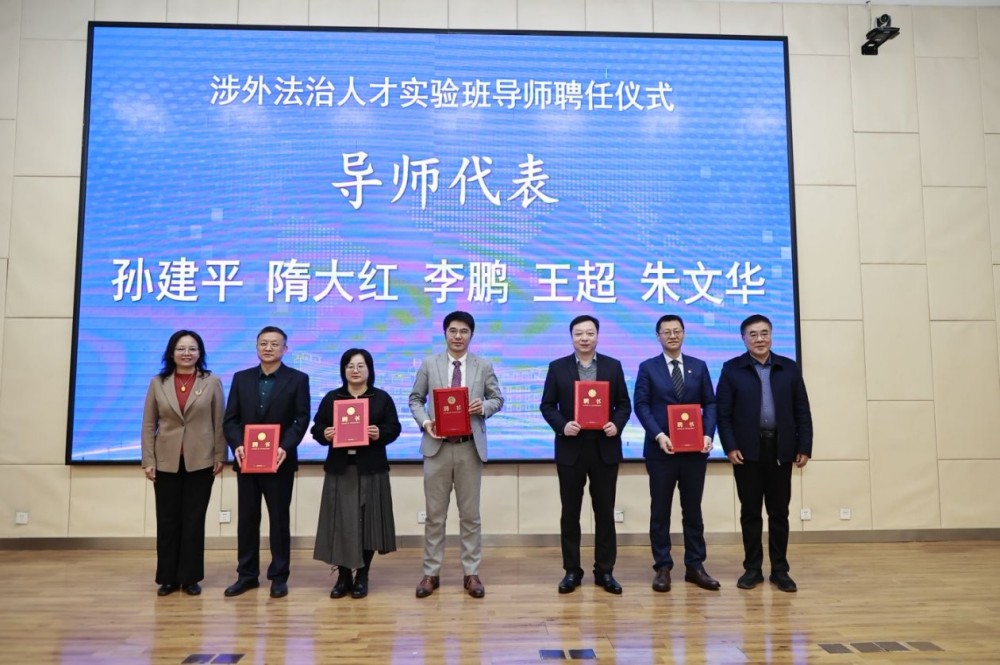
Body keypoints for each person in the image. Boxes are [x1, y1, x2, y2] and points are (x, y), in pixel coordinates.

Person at [408, 311, 504, 599]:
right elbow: (415, 399)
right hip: (436, 447)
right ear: (445, 333)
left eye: (464, 331)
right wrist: (426, 422)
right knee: (434, 516)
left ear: (471, 335)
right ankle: (431, 573)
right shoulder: (430, 364)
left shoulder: (483, 366)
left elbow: (497, 398)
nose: (458, 336)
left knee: (470, 516)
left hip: (468, 448)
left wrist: (483, 407)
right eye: (453, 331)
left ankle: (471, 573)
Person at [717, 314, 813, 593]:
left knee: (779, 513)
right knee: (750, 513)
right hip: (746, 451)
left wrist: (804, 446)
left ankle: (780, 570)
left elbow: (802, 410)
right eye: (753, 334)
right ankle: (753, 569)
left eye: (764, 333)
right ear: (743, 338)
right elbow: (723, 414)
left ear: (771, 335)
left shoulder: (789, 368)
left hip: (781, 450)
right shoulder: (732, 369)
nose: (760, 339)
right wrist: (730, 446)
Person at [540, 315, 632, 595]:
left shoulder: (613, 366)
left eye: (589, 333)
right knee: (570, 513)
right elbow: (547, 405)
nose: (584, 338)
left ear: (597, 336)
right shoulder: (558, 367)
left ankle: (605, 571)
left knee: (605, 512)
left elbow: (624, 405)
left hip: (604, 448)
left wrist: (616, 424)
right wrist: (562, 425)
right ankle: (572, 570)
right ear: (571, 337)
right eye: (579, 333)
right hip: (571, 449)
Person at [222, 326, 310, 599]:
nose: (268, 348)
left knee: (279, 520)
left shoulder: (298, 379)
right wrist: (237, 445)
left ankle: (279, 577)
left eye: (274, 343)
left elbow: (301, 419)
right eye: (263, 343)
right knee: (247, 519)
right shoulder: (241, 378)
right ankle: (246, 575)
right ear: (257, 347)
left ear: (285, 348)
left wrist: (285, 447)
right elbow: (230, 419)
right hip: (247, 461)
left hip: (279, 462)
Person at [634, 314, 720, 593]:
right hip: (661, 452)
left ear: (683, 333)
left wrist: (708, 434)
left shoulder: (699, 366)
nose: (672, 336)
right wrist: (659, 435)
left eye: (677, 331)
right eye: (666, 332)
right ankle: (662, 566)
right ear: (657, 336)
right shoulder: (648, 367)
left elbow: (710, 403)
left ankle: (695, 566)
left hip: (694, 452)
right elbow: (641, 405)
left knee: (692, 510)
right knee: (660, 510)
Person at [141, 330, 226, 597]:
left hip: (201, 461)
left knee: (193, 521)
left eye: (192, 348)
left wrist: (219, 455)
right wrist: (148, 459)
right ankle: (167, 578)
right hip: (166, 461)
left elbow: (219, 421)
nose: (186, 353)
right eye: (181, 348)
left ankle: (190, 578)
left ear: (200, 353)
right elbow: (149, 424)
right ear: (171, 352)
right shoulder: (158, 382)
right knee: (167, 521)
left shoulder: (211, 382)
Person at [311, 349, 401, 600]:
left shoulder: (381, 398)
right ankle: (343, 577)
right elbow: (317, 428)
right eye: (350, 366)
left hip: (372, 468)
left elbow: (394, 428)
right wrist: (325, 433)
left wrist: (379, 433)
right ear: (343, 370)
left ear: (369, 370)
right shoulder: (332, 398)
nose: (355, 370)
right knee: (341, 523)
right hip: (341, 469)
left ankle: (362, 575)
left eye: (361, 366)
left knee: (368, 523)